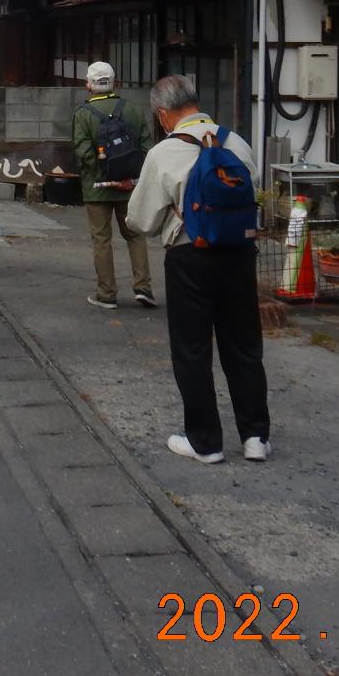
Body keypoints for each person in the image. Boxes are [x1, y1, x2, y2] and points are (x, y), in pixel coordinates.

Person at [126, 74, 269, 465]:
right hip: (239, 252)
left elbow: (140, 220)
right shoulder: (236, 142)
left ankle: (206, 442)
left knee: (192, 348)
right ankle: (256, 437)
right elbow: (252, 190)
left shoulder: (163, 153)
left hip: (190, 255)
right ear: (195, 101)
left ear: (162, 114)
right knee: (242, 345)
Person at [73, 61, 155, 311]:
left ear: (89, 84)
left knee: (102, 239)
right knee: (134, 234)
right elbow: (146, 146)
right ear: (114, 82)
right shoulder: (132, 109)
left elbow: (83, 153)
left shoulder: (83, 114)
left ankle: (107, 293)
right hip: (130, 184)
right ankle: (143, 287)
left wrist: (105, 172)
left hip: (96, 187)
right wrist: (129, 176)